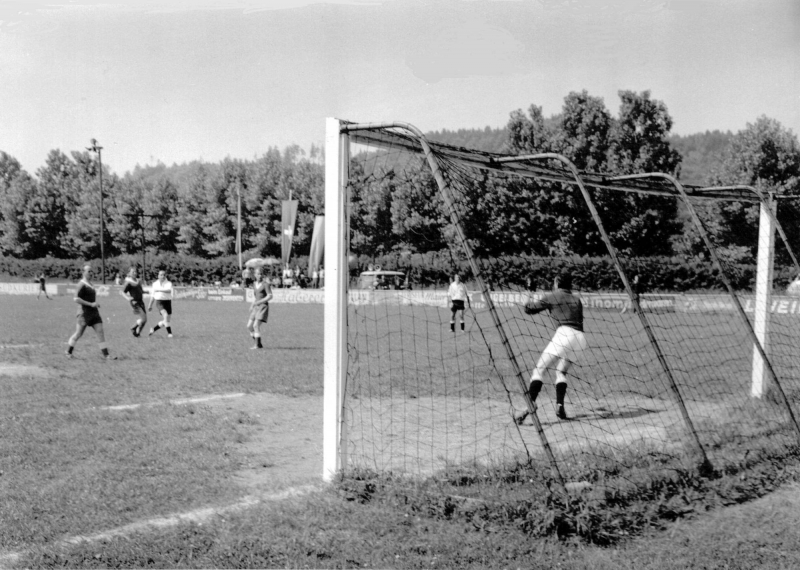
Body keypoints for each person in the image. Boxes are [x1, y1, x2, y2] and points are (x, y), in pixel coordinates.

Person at [515, 269, 586, 423]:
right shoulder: (577, 300)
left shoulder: (553, 296)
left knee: (539, 370)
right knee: (560, 372)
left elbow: (528, 308)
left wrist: (529, 290)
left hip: (564, 335)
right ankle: (559, 405)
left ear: (557, 283)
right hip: (580, 338)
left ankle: (530, 404)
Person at [65, 264, 117, 360]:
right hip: (83, 313)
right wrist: (90, 304)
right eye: (88, 271)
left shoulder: (91, 284)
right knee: (78, 334)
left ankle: (106, 355)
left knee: (100, 332)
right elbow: (76, 299)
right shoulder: (81, 284)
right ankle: (68, 352)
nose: (91, 273)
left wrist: (95, 304)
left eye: (91, 271)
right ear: (83, 272)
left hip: (94, 313)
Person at [246, 267, 273, 349]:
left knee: (255, 326)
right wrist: (252, 304)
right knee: (249, 326)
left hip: (263, 307)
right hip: (256, 307)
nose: (260, 275)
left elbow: (270, 296)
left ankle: (257, 345)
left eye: (261, 274)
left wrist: (259, 302)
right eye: (258, 274)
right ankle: (258, 343)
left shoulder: (266, 284)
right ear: (254, 275)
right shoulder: (254, 284)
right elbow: (256, 297)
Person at [120, 266, 147, 337]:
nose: (135, 273)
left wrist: (146, 292)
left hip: (141, 301)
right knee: (144, 319)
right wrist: (127, 298)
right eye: (133, 272)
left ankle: (136, 331)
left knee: (144, 320)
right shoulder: (128, 283)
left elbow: (141, 291)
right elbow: (122, 292)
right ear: (129, 273)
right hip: (135, 302)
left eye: (135, 271)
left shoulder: (138, 281)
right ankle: (135, 330)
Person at [147, 269, 174, 338]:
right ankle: (170, 334)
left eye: (164, 275)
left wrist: (159, 290)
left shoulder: (168, 283)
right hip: (159, 302)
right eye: (161, 275)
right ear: (158, 276)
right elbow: (153, 295)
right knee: (165, 315)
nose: (163, 276)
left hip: (167, 302)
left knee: (167, 320)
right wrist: (150, 305)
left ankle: (153, 329)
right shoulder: (155, 284)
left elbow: (168, 291)